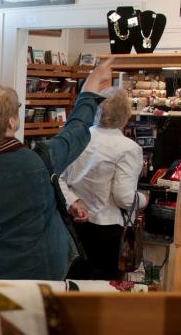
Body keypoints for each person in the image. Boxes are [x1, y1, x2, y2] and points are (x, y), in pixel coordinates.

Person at [0, 58, 114, 280]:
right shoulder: (41, 158)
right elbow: (76, 130)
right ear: (12, 122)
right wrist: (90, 86)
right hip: (43, 269)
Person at [59, 90, 148, 280]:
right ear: (125, 116)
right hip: (108, 229)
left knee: (74, 283)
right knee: (104, 289)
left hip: (73, 224)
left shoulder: (77, 139)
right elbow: (124, 197)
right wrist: (143, 199)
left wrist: (73, 201)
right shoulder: (128, 148)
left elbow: (57, 177)